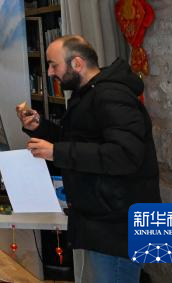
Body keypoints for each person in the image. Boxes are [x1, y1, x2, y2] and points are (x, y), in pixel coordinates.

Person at [19, 36, 160, 283]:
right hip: (105, 217)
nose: (50, 72)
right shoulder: (87, 93)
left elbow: (125, 155)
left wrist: (57, 152)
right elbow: (82, 142)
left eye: (54, 65)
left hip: (118, 224)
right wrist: (40, 128)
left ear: (77, 63)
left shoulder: (111, 95)